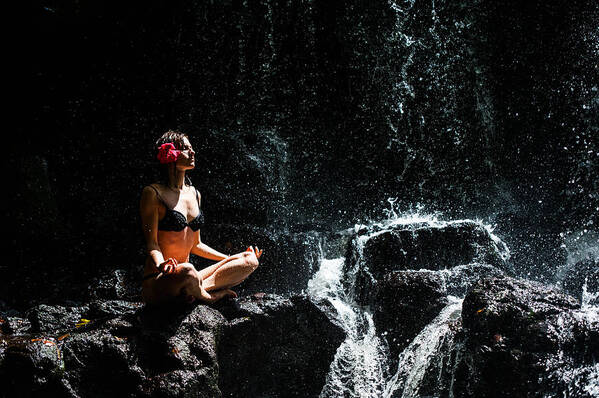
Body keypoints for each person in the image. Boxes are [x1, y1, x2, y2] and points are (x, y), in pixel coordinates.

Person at [140, 130, 262, 305]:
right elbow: (152, 244)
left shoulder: (195, 194)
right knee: (188, 270)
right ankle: (210, 297)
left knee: (249, 260)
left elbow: (196, 245)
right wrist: (162, 264)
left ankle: (194, 291)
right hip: (162, 279)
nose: (193, 152)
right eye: (185, 149)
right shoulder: (153, 193)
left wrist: (230, 259)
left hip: (190, 278)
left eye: (192, 149)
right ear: (170, 154)